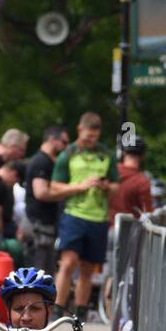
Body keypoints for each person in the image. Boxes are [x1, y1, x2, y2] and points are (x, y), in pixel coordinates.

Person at [48, 112, 118, 315]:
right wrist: (80, 186)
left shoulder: (106, 154)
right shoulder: (68, 154)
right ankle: (57, 309)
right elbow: (54, 186)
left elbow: (116, 187)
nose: (91, 141)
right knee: (68, 263)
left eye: (95, 137)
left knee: (88, 268)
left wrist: (105, 186)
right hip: (74, 215)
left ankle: (79, 311)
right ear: (80, 130)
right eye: (88, 136)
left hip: (98, 217)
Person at [23, 126, 69, 272]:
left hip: (45, 225)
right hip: (39, 225)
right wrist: (71, 191)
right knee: (38, 273)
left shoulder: (48, 161)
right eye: (63, 142)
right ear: (51, 139)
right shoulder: (41, 161)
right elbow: (41, 192)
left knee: (45, 271)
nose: (65, 147)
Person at [110, 137, 153, 219]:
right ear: (143, 156)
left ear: (123, 153)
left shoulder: (110, 172)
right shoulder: (142, 182)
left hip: (103, 227)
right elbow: (147, 213)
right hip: (128, 229)